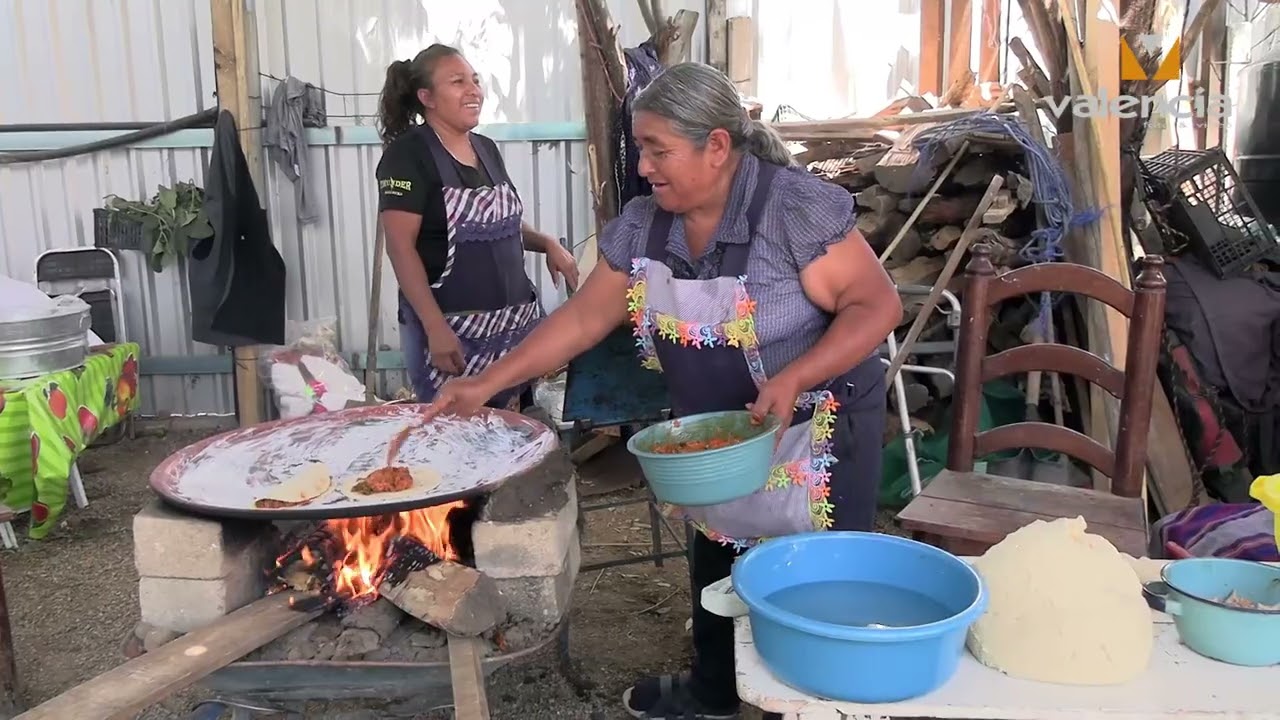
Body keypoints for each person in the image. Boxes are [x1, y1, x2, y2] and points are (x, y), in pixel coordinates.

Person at [424, 62, 903, 719]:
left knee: (816, 578)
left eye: (658, 150)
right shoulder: (647, 227)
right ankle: (715, 689)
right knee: (716, 550)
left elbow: (876, 307)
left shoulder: (790, 210)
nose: (644, 166)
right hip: (723, 435)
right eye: (641, 148)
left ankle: (818, 700)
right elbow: (584, 319)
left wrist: (795, 377)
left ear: (716, 146)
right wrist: (484, 385)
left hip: (817, 425)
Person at [374, 44, 580, 408]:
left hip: (512, 333)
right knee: (457, 440)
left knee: (513, 442)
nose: (474, 91)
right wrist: (435, 328)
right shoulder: (408, 156)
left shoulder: (486, 149)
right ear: (427, 97)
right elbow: (400, 247)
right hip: (455, 337)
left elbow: (499, 223)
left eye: (475, 80)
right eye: (457, 82)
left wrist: (545, 241)